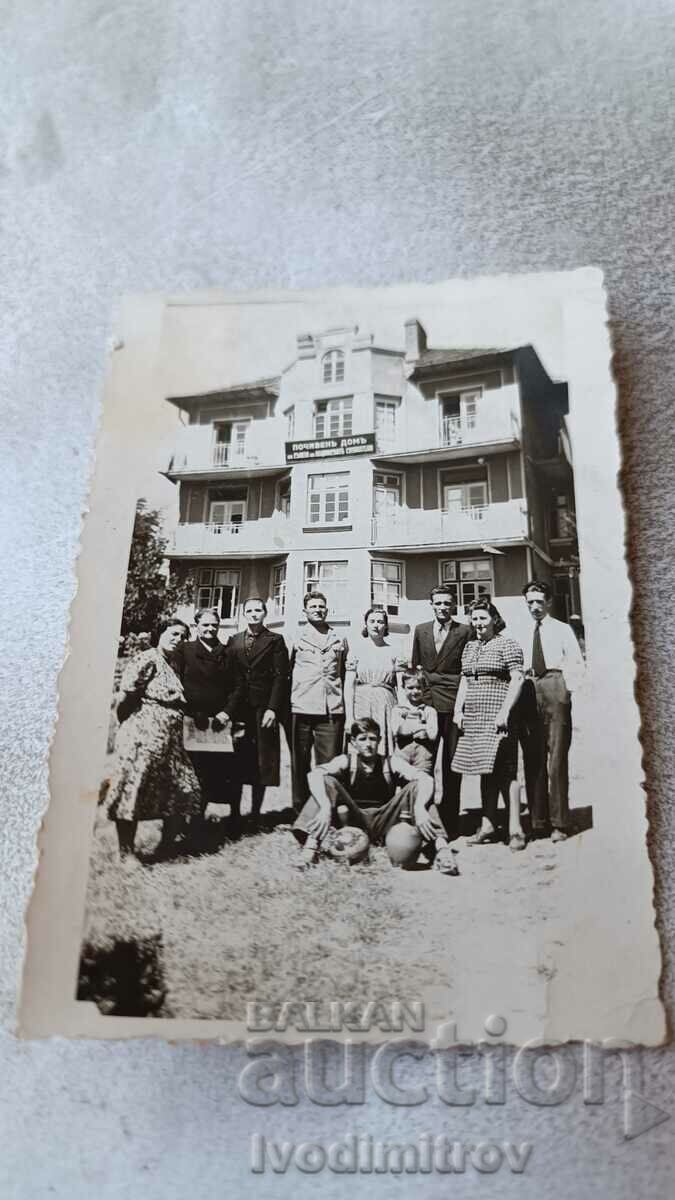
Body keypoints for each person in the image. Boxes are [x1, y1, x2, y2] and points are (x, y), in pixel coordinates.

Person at [292, 717, 458, 874]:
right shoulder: (346, 761)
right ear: (353, 742)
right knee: (326, 781)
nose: (368, 744)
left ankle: (442, 851)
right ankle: (310, 850)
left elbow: (426, 778)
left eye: (372, 739)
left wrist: (420, 807)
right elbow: (313, 775)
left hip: (385, 820)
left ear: (379, 740)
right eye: (362, 739)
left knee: (417, 787)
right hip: (354, 820)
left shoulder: (390, 762)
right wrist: (325, 807)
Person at [106, 617, 202, 859]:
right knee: (133, 791)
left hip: (170, 743)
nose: (177, 639)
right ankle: (126, 853)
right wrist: (130, 728)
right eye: (173, 634)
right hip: (143, 738)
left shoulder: (173, 663)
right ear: (159, 634)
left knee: (182, 789)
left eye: (182, 636)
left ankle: (167, 845)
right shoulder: (147, 659)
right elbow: (125, 699)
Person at [452, 598, 526, 849]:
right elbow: (465, 680)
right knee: (485, 768)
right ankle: (488, 824)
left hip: (498, 713)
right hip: (474, 714)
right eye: (474, 619)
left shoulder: (507, 644)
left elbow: (517, 679)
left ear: (494, 619)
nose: (478, 623)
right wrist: (457, 710)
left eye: (483, 618)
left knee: (506, 769)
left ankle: (516, 829)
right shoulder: (470, 647)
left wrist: (505, 712)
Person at [518, 580, 586, 842]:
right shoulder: (521, 630)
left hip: (555, 686)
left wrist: (565, 693)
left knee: (556, 759)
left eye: (539, 601)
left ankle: (559, 822)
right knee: (533, 757)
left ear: (548, 602)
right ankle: (538, 822)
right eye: (530, 602)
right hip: (528, 688)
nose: (534, 607)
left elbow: (575, 663)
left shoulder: (562, 629)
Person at [410, 586, 471, 839]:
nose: (443, 607)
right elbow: (414, 667)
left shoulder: (464, 631)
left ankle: (450, 823)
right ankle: (421, 818)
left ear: (453, 605)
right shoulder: (421, 629)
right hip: (427, 703)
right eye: (438, 603)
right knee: (424, 762)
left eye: (447, 603)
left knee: (451, 764)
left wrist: (463, 706)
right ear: (431, 604)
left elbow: (468, 669)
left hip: (454, 702)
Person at [225, 597, 290, 822]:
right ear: (244, 614)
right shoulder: (234, 641)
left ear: (265, 613)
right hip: (240, 710)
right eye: (249, 610)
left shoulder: (275, 640)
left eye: (258, 610)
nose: (254, 614)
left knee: (263, 760)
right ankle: (234, 812)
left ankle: (255, 813)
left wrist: (273, 708)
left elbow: (281, 677)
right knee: (236, 760)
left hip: (264, 710)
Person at [177, 607, 239, 821]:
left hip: (218, 723)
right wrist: (193, 711)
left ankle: (201, 818)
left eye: (214, 625)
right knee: (191, 770)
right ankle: (183, 818)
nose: (210, 629)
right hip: (192, 720)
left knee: (214, 772)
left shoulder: (227, 653)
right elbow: (177, 684)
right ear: (196, 626)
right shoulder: (185, 650)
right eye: (205, 624)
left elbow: (237, 688)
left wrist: (226, 713)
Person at [289, 592, 349, 810]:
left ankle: (328, 808)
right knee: (300, 763)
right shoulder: (295, 637)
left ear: (327, 610)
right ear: (304, 611)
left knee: (330, 763)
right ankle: (301, 810)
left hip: (331, 708)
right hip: (302, 706)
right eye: (313, 606)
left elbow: (342, 672)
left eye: (321, 606)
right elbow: (288, 671)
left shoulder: (339, 638)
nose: (317, 609)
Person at [344, 608, 399, 755]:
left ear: (386, 626)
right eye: (372, 621)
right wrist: (349, 717)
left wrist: (401, 714)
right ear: (366, 624)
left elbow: (402, 687)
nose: (376, 625)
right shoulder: (356, 650)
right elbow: (348, 686)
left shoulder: (394, 650)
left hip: (386, 705)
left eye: (380, 622)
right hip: (360, 704)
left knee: (383, 747)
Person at [391, 671, 438, 775]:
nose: (415, 691)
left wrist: (411, 728)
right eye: (410, 688)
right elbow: (398, 731)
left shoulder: (429, 711)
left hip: (423, 757)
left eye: (418, 687)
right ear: (403, 688)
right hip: (402, 755)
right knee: (401, 784)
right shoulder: (398, 710)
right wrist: (422, 727)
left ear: (424, 689)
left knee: (424, 783)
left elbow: (433, 734)